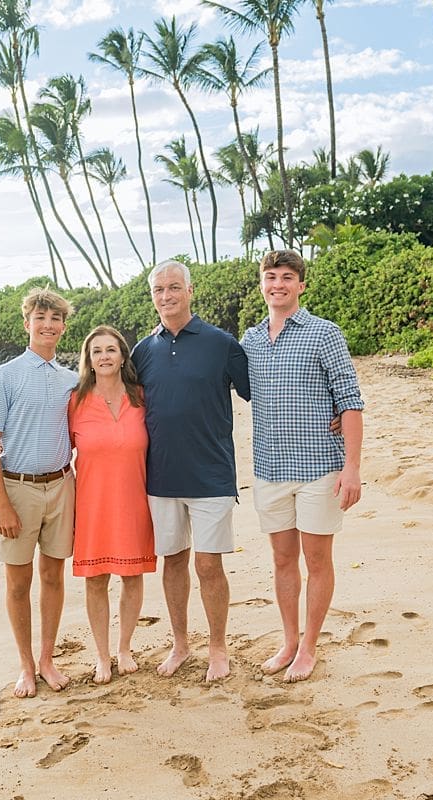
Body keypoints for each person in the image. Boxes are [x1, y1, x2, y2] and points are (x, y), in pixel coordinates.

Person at [241, 249, 365, 683]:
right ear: (262, 284)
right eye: (271, 276)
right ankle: (289, 641)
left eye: (287, 277)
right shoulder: (250, 341)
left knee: (317, 559)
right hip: (269, 468)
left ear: (301, 285)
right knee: (281, 559)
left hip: (320, 468)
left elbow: (350, 401)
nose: (278, 284)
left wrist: (352, 467)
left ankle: (309, 647)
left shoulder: (324, 333)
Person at [131, 260, 251, 682]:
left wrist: (330, 410)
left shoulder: (221, 343)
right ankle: (180, 644)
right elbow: (118, 404)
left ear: (190, 290)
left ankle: (218, 648)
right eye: (158, 289)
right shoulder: (143, 351)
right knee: (174, 561)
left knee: (208, 565)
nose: (166, 296)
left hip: (212, 475)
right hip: (161, 477)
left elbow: (262, 390)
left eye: (174, 287)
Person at [0, 287, 78, 699]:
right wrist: (2, 504)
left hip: (62, 486)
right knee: (18, 582)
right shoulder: (5, 376)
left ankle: (47, 660)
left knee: (53, 576)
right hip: (17, 489)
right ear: (27, 324)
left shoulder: (72, 380)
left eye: (55, 319)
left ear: (63, 327)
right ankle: (25, 666)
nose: (48, 325)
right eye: (40, 318)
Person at [68, 325, 156, 685]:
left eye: (111, 350)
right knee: (95, 580)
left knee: (132, 576)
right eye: (97, 351)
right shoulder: (75, 401)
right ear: (88, 361)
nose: (104, 356)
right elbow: (56, 449)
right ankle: (102, 656)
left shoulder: (142, 397)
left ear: (122, 357)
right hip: (92, 506)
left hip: (135, 501)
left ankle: (124, 648)